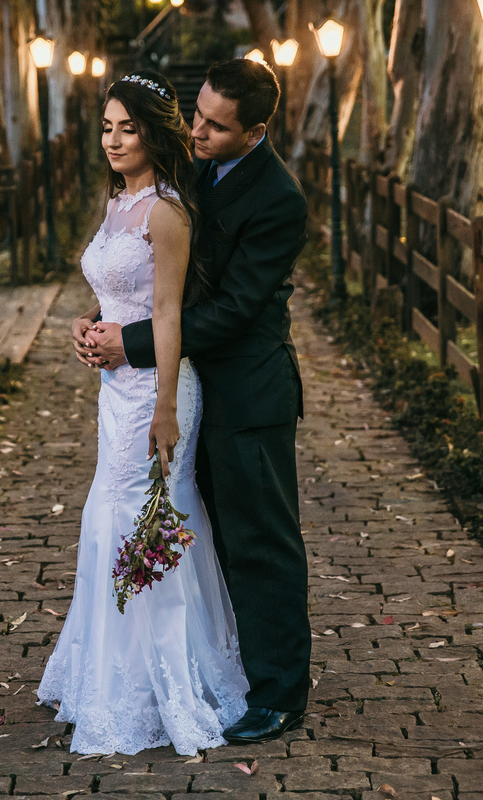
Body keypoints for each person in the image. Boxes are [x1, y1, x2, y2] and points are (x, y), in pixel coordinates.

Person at [76, 59, 311, 745]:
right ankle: (210, 666)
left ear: (257, 130)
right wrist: (104, 322)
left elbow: (234, 311)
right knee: (194, 532)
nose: (199, 130)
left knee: (260, 542)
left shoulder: (278, 199)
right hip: (182, 381)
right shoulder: (196, 171)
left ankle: (279, 694)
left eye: (216, 124)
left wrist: (132, 343)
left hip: (249, 392)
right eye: (196, 115)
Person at [36, 70, 249, 756]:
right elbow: (119, 294)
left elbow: (166, 313)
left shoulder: (166, 211)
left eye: (128, 128)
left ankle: (165, 681)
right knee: (113, 515)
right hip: (114, 389)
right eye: (106, 127)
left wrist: (163, 408)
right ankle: (111, 673)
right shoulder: (116, 203)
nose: (114, 140)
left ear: (154, 134)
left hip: (157, 391)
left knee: (144, 518)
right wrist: (89, 326)